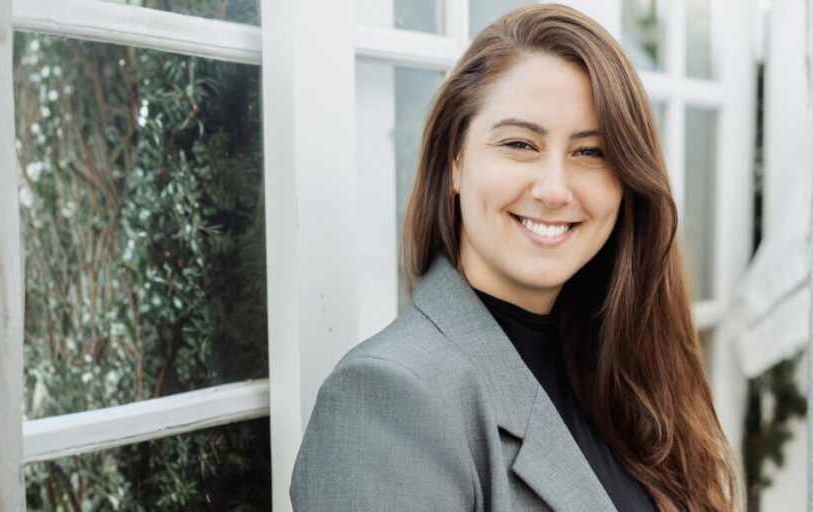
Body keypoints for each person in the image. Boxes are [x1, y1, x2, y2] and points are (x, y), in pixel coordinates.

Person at [290, 4, 744, 511]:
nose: (554, 189)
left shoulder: (622, 370)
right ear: (454, 162)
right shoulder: (389, 397)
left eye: (590, 152)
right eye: (519, 144)